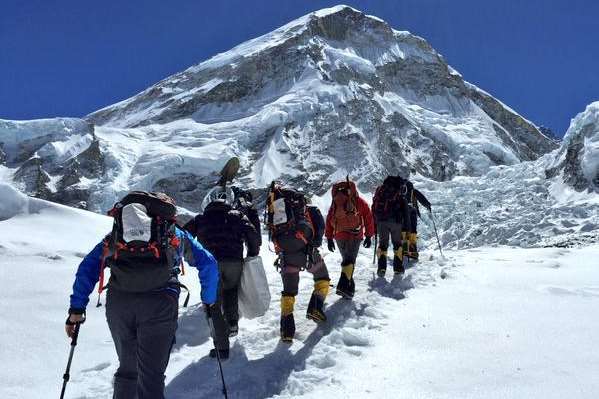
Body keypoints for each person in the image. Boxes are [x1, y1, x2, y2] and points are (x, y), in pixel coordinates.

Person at [65, 191, 219, 399]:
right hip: (160, 304)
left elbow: (88, 268)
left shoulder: (116, 237)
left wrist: (76, 309)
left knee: (128, 369)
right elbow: (208, 263)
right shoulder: (174, 235)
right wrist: (209, 300)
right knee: (152, 374)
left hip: (120, 304)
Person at [183, 187, 261, 358]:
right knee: (231, 290)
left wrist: (192, 257)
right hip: (234, 262)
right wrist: (252, 253)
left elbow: (182, 237)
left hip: (211, 265)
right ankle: (232, 324)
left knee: (213, 304)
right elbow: (254, 236)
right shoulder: (237, 215)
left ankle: (222, 348)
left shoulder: (201, 218)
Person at [266, 183, 330, 342]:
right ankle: (315, 308)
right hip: (306, 252)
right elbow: (320, 229)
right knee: (322, 277)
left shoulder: (279, 212)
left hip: (286, 256)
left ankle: (287, 332)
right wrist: (313, 245)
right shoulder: (309, 210)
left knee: (288, 292)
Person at [325, 178, 375, 299]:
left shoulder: (336, 202)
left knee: (347, 260)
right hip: (355, 235)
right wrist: (368, 235)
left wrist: (330, 238)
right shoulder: (358, 201)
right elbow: (368, 217)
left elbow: (329, 219)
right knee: (350, 261)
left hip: (339, 235)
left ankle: (348, 291)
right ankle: (342, 286)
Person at [371, 176, 411, 276]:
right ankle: (398, 269)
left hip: (381, 222)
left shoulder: (381, 192)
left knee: (383, 245)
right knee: (397, 245)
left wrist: (375, 225)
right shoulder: (399, 193)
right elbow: (406, 213)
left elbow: (373, 208)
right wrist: (408, 229)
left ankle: (381, 269)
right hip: (396, 223)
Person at [404, 181, 432, 260]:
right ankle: (412, 251)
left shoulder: (401, 192)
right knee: (413, 231)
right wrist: (428, 205)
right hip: (412, 213)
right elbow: (422, 198)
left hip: (402, 215)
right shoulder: (413, 191)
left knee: (404, 231)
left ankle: (404, 250)